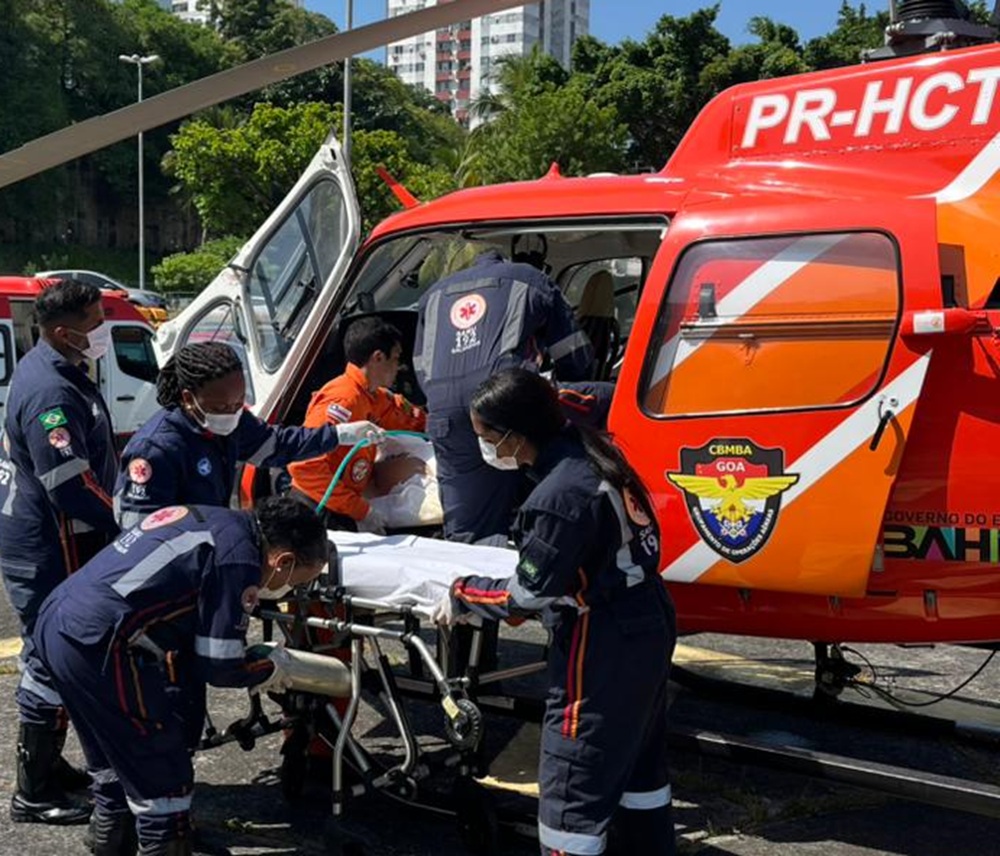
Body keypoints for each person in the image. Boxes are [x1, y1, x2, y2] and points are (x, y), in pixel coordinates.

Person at [433, 368, 676, 856]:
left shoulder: (558, 496)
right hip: (647, 619)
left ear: (515, 435)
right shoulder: (596, 452)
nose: (486, 448)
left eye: (487, 438)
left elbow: (525, 596)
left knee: (572, 783)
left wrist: (462, 593)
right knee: (637, 765)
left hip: (602, 639)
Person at [29, 496, 329, 856]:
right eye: (297, 582)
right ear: (284, 562)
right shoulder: (238, 559)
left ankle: (112, 837)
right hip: (100, 640)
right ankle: (163, 842)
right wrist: (272, 667)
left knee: (111, 753)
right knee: (163, 773)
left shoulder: (211, 520)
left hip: (60, 619)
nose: (290, 590)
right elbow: (220, 664)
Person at [0, 278, 120, 825]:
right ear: (62, 332)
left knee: (58, 652)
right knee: (52, 655)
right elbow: (70, 483)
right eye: (95, 323)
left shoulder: (60, 368)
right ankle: (34, 791)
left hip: (51, 535)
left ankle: (48, 765)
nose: (102, 332)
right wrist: (127, 518)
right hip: (50, 541)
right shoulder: (51, 391)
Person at [413, 246, 593, 546]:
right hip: (505, 398)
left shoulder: (433, 294)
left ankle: (473, 566)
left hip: (445, 410)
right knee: (549, 484)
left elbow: (421, 366)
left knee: (468, 524)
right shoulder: (530, 279)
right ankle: (539, 554)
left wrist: (443, 400)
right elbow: (572, 352)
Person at [114, 342, 384, 528]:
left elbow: (278, 445)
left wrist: (337, 435)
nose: (232, 413)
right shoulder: (156, 450)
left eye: (238, 403)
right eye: (222, 407)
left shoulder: (231, 422)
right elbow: (139, 530)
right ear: (188, 398)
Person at [288, 317, 426, 532]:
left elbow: (406, 418)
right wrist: (361, 511)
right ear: (378, 357)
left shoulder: (374, 396)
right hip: (319, 508)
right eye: (396, 358)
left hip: (346, 502)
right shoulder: (343, 401)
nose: (399, 367)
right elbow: (304, 466)